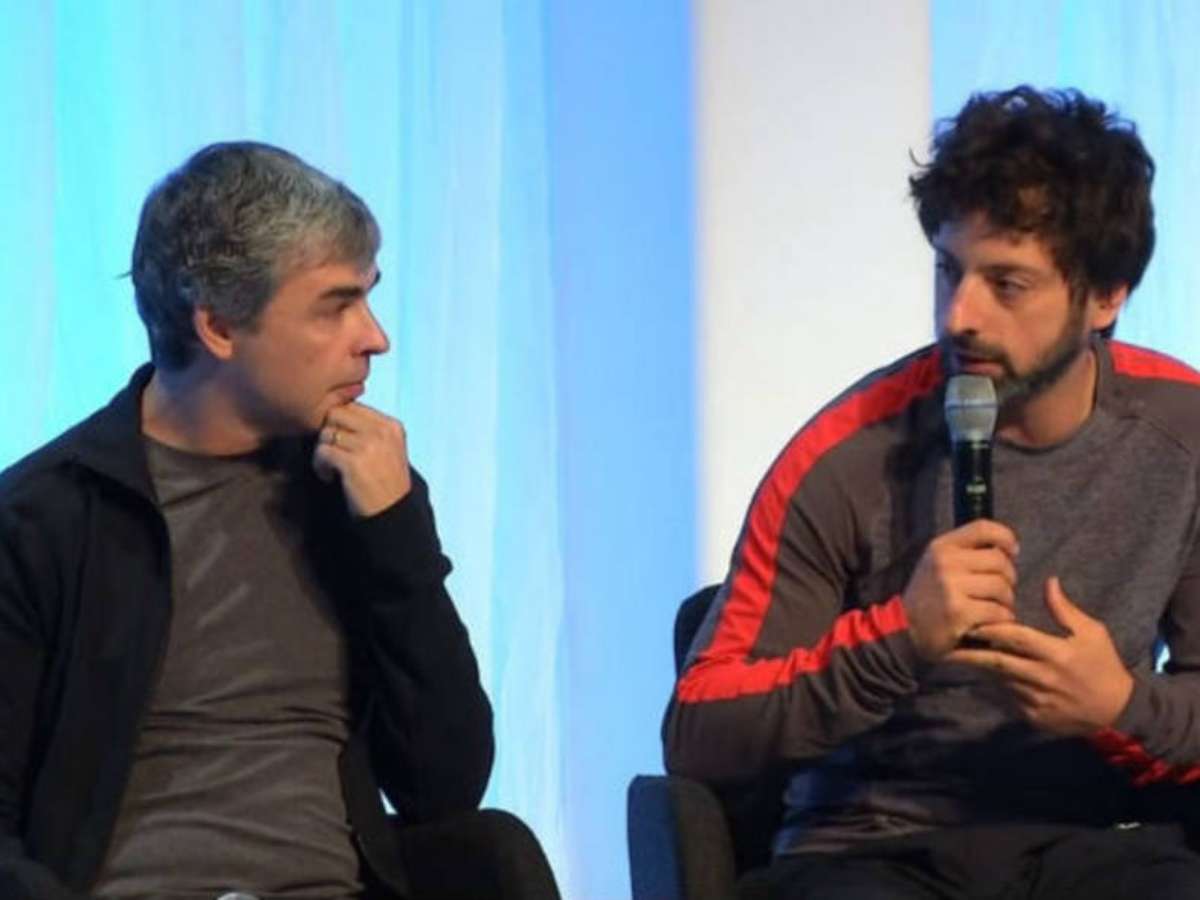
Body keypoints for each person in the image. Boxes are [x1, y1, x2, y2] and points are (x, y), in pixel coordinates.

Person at [665, 86, 1200, 898]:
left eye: (1006, 284)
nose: (959, 316)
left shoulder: (1181, 438)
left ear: (1105, 295)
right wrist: (901, 638)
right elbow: (698, 730)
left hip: (1092, 848)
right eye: (950, 271)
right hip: (868, 851)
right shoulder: (847, 455)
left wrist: (1123, 705)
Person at [0, 142, 494, 899]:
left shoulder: (356, 491)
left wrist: (396, 538)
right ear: (220, 327)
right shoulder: (46, 518)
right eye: (336, 306)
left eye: (368, 298)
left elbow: (446, 785)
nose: (375, 337)